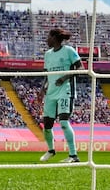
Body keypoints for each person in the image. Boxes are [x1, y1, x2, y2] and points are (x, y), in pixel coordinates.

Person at [39, 28, 83, 163]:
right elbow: (47, 75)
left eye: (48, 37)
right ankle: (51, 150)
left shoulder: (68, 50)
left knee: (63, 121)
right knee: (47, 124)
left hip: (65, 90)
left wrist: (64, 78)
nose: (47, 40)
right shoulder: (47, 54)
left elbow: (80, 68)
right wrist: (42, 89)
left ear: (55, 38)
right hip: (51, 92)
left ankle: (73, 155)